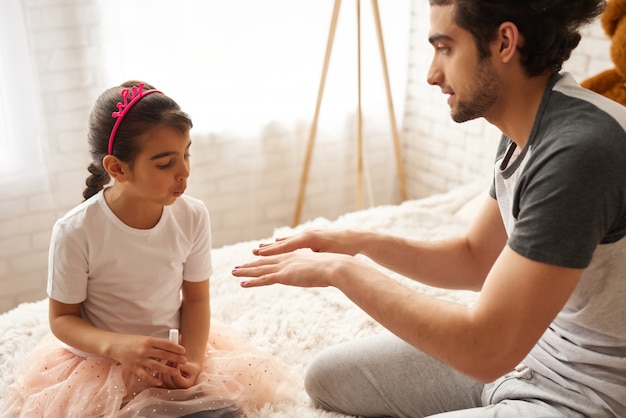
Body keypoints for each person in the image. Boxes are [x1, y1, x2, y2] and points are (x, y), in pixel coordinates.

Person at [232, 0, 626, 417]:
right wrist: (354, 242)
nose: (432, 74)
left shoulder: (579, 151)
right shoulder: (527, 126)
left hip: (590, 391)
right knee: (326, 377)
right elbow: (476, 259)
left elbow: (486, 350)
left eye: (445, 48)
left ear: (504, 42)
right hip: (532, 353)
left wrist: (341, 272)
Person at [2, 81, 296, 418]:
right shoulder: (76, 231)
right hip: (103, 360)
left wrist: (194, 361)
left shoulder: (193, 215)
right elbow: (62, 320)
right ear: (117, 168)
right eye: (165, 164)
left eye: (186, 153)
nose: (184, 172)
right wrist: (120, 346)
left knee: (223, 409)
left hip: (173, 353)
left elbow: (196, 299)